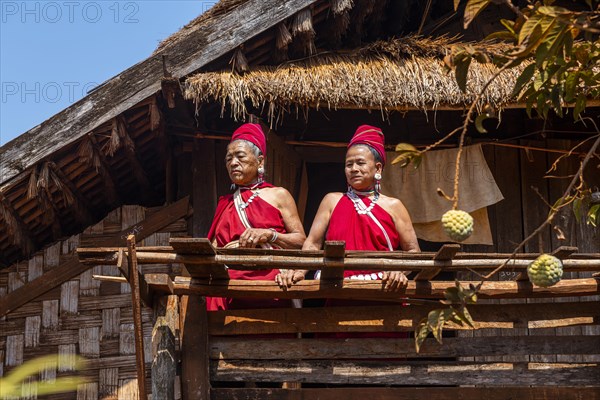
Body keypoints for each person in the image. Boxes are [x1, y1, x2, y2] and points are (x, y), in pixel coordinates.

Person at [277, 124, 420, 291]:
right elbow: (313, 243)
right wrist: (299, 270)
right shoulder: (331, 201)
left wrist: (398, 271)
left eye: (360, 163)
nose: (354, 169)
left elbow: (412, 251)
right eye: (349, 164)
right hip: (337, 288)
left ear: (378, 168)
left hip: (384, 291)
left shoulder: (394, 206)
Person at [207, 123, 306, 311]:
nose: (233, 163)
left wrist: (270, 235)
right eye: (229, 158)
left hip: (272, 283)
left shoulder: (279, 195)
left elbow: (301, 241)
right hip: (231, 287)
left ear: (260, 162)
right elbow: (213, 249)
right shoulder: (225, 203)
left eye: (240, 156)